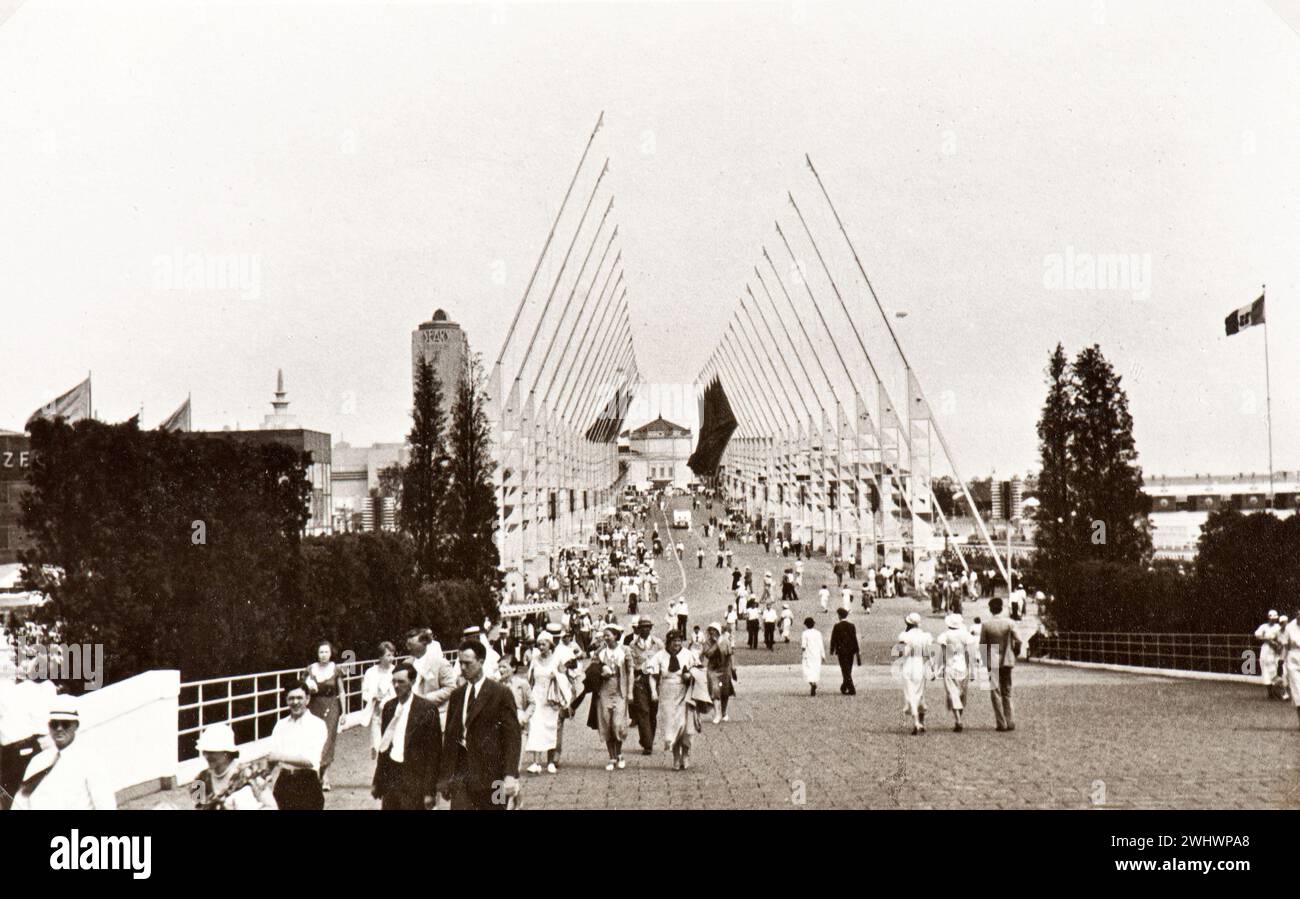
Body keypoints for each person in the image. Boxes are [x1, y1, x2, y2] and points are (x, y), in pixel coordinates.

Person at [438, 642, 522, 810]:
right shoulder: (457, 695)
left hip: (495, 775)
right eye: (460, 663)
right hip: (462, 775)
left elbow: (512, 737)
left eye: (467, 663)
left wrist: (510, 775)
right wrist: (445, 777)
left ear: (481, 661)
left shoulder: (500, 693)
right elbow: (450, 738)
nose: (462, 667)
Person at [11, 696, 116, 810]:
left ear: (75, 725)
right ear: (49, 727)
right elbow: (21, 803)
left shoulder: (89, 759)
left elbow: (105, 804)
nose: (59, 729)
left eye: (65, 724)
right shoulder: (37, 762)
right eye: (54, 724)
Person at [372, 662, 443, 810]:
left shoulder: (426, 709)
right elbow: (384, 746)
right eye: (394, 681)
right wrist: (378, 781)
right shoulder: (389, 707)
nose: (396, 686)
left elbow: (434, 753)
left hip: (414, 778)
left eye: (401, 682)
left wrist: (430, 791)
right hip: (392, 774)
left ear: (412, 682)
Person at [646, 630, 706, 770]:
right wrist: (654, 691)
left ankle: (685, 753)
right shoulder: (660, 656)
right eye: (674, 641)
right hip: (667, 693)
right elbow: (652, 675)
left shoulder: (688, 654)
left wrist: (689, 676)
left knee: (685, 726)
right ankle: (676, 757)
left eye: (679, 641)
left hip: (685, 694)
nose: (677, 644)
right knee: (672, 726)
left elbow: (699, 670)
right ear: (669, 641)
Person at [0, 659, 55, 810]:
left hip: (15, 748)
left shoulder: (13, 690)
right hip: (30, 743)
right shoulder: (22, 689)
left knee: (10, 795)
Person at [267, 681, 328, 810]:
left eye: (299, 698)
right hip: (283, 783)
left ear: (307, 699)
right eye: (291, 698)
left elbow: (310, 760)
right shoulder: (280, 725)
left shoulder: (317, 725)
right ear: (286, 700)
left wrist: (279, 757)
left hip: (307, 783)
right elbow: (272, 757)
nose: (295, 702)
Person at [192, 724, 276, 810]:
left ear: (226, 752)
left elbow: (272, 807)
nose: (206, 756)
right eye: (204, 751)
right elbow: (197, 808)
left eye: (211, 752)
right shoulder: (199, 780)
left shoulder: (249, 774)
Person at [522, 632, 567, 774]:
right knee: (535, 727)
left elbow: (565, 678)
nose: (541, 647)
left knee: (551, 727)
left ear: (550, 644)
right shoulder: (534, 660)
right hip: (537, 697)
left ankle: (550, 761)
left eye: (544, 644)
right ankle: (536, 762)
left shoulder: (557, 659)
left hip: (551, 699)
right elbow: (529, 680)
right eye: (539, 644)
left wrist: (557, 676)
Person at [303, 639, 344, 792]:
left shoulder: (336, 669)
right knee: (315, 739)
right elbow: (303, 691)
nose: (324, 655)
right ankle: (316, 774)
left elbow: (341, 691)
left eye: (326, 652)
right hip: (314, 706)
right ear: (317, 653)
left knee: (328, 739)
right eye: (321, 652)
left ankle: (325, 775)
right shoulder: (310, 669)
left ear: (331, 653)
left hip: (331, 706)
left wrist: (344, 711)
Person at [593, 624, 633, 770]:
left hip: (619, 690)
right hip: (604, 691)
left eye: (608, 634)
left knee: (618, 723)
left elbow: (630, 671)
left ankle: (620, 753)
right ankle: (611, 757)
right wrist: (600, 670)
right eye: (604, 635)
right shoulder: (600, 652)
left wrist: (630, 692)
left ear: (616, 635)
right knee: (607, 723)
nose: (605, 637)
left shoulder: (625, 650)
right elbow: (592, 669)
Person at [979, 597, 1021, 732]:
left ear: (991, 609)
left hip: (993, 659)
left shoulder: (986, 625)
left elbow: (983, 644)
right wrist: (1015, 652)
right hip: (1007, 659)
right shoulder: (1009, 623)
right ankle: (1010, 721)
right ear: (1002, 608)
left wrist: (985, 662)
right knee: (1007, 691)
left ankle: (1001, 722)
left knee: (995, 692)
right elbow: (1018, 640)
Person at [625, 618, 664, 757]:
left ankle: (647, 739)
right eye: (642, 627)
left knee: (653, 711)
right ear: (638, 629)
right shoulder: (632, 645)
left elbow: (663, 660)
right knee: (643, 710)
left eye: (647, 627)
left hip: (654, 679)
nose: (645, 630)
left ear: (651, 628)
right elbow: (630, 664)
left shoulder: (658, 643)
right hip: (640, 679)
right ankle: (648, 744)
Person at [936, 613, 974, 732]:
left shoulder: (945, 636)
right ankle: (958, 718)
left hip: (950, 666)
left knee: (953, 693)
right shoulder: (965, 635)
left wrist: (939, 667)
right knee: (962, 694)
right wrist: (971, 669)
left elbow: (943, 654)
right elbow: (969, 653)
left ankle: (957, 719)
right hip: (963, 666)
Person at [896, 612, 932, 735]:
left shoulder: (903, 635)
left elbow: (900, 653)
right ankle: (921, 722)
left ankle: (916, 722)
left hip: (908, 665)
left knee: (910, 693)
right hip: (920, 664)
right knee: (920, 693)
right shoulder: (925, 636)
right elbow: (928, 654)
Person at [361, 642, 397, 759]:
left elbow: (399, 691)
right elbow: (365, 692)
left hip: (391, 708)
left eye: (392, 655)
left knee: (391, 736)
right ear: (380, 657)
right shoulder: (370, 672)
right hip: (376, 709)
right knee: (376, 734)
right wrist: (373, 696)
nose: (391, 658)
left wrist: (388, 697)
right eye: (388, 655)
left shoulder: (395, 671)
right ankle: (376, 750)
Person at [829, 608, 861, 695]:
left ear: (839, 616)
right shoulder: (852, 626)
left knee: (844, 668)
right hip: (851, 650)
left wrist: (832, 649)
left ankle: (851, 688)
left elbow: (833, 639)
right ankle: (844, 686)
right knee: (848, 668)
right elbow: (854, 639)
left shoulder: (837, 626)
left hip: (841, 651)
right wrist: (857, 651)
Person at [1255, 611, 1283, 698]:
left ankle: (1276, 691)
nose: (1273, 620)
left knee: (1276, 669)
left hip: (1276, 650)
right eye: (1272, 619)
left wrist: (1277, 644)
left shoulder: (1278, 627)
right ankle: (1270, 693)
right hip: (1266, 649)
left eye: (1275, 619)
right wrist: (1267, 639)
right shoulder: (1263, 627)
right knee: (1266, 669)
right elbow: (1257, 635)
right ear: (1268, 618)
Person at [1279, 611, 1300, 729]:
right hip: (1293, 659)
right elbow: (1285, 647)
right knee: (1298, 691)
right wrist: (1281, 661)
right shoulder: (1290, 628)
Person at [800, 618, 825, 697]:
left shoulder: (805, 633)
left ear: (806, 625)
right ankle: (814, 682)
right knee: (815, 670)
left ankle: (812, 684)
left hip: (808, 654)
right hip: (817, 654)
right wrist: (823, 655)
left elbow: (803, 646)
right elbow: (821, 644)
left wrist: (802, 651)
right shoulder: (818, 633)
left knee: (807, 671)